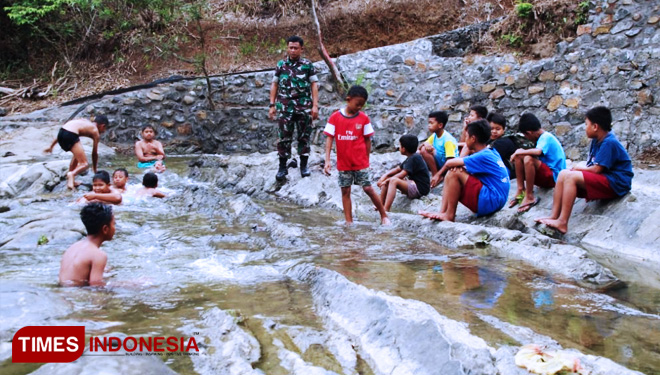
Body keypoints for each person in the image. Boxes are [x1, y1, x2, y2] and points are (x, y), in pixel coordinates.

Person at [536, 107, 633, 234]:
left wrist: (578, 168)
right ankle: (554, 216)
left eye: (586, 124)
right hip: (606, 177)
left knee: (571, 176)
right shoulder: (596, 140)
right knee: (563, 173)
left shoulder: (609, 142)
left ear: (595, 126)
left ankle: (563, 222)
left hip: (617, 182)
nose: (585, 128)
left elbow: (597, 169)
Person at [323, 85, 390, 225]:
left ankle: (384, 215)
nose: (359, 107)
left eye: (362, 105)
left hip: (360, 162)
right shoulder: (335, 117)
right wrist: (327, 160)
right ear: (348, 99)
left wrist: (367, 159)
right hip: (343, 163)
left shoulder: (363, 119)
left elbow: (367, 140)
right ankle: (349, 222)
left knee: (367, 188)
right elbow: (329, 138)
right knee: (345, 191)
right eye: (357, 104)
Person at [419, 119, 510, 222]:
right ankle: (442, 212)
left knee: (454, 172)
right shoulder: (490, 151)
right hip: (497, 200)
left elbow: (450, 163)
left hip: (491, 201)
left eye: (466, 137)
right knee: (455, 170)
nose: (465, 140)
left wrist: (465, 151)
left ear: (473, 139)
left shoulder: (482, 156)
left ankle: (449, 215)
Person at [269, 35, 320, 181]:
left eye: (295, 48)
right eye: (290, 47)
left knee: (304, 137)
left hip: (303, 107)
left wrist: (315, 106)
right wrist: (272, 105)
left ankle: (304, 166)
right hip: (285, 107)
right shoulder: (281, 65)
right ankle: (282, 167)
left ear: (301, 49)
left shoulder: (307, 65)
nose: (292, 50)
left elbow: (314, 85)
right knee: (283, 138)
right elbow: (274, 84)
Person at [509, 113, 566, 213]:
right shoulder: (541, 138)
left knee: (528, 159)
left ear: (529, 133)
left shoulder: (546, 137)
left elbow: (538, 151)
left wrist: (521, 151)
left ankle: (529, 196)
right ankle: (521, 189)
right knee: (520, 156)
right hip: (546, 176)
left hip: (555, 177)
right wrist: (519, 153)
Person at [44, 115, 109, 190]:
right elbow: (94, 153)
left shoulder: (84, 122)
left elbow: (64, 132)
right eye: (105, 129)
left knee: (76, 156)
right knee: (84, 164)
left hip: (61, 133)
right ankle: (71, 174)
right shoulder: (95, 131)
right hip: (70, 135)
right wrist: (94, 169)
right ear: (102, 126)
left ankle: (71, 181)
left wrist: (51, 147)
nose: (103, 131)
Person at [59, 202, 115, 286]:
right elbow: (97, 288)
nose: (115, 228)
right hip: (76, 295)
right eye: (114, 224)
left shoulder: (73, 247)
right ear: (105, 229)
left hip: (61, 294)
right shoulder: (98, 255)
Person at [378, 134, 431, 211]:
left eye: (400, 146)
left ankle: (386, 209)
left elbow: (403, 174)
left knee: (393, 181)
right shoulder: (411, 157)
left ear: (403, 149)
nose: (398, 148)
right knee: (390, 179)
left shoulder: (414, 158)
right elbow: (397, 169)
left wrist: (387, 181)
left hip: (420, 189)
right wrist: (384, 177)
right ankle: (380, 204)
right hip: (413, 184)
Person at [419, 111, 457, 185]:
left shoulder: (447, 140)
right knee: (420, 151)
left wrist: (438, 174)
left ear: (440, 125)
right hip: (440, 163)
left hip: (449, 167)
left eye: (431, 123)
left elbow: (450, 161)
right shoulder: (435, 135)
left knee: (424, 150)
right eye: (429, 123)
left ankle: (437, 175)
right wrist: (425, 143)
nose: (429, 125)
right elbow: (419, 149)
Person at [486, 112, 517, 178]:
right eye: (491, 129)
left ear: (503, 130)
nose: (494, 131)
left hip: (507, 172)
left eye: (498, 129)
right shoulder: (490, 140)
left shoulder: (503, 142)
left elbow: (489, 159)